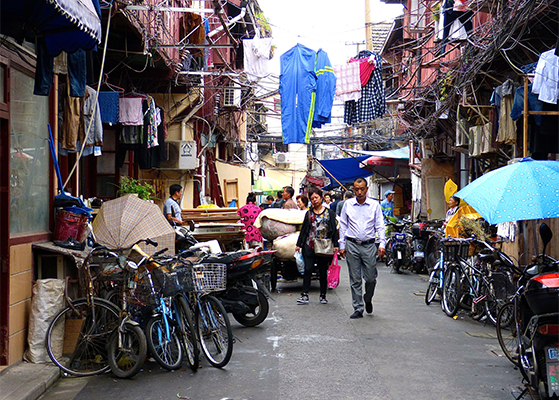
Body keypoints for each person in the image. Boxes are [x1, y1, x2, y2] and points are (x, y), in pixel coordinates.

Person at [339, 178, 386, 319]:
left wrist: (382, 244)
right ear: (353, 190)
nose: (359, 192)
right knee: (355, 278)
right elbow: (343, 225)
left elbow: (380, 225)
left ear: (366, 189)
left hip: (369, 245)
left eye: (362, 189)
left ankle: (367, 298)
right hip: (352, 244)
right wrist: (342, 245)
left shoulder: (374, 205)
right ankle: (358, 307)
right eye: (356, 189)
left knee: (371, 278)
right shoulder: (348, 204)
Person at [295, 186, 339, 305]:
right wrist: (299, 244)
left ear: (321, 198)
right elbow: (304, 230)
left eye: (316, 197)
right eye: (312, 198)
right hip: (309, 245)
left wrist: (336, 244)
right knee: (308, 269)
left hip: (324, 246)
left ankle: (323, 295)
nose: (314, 200)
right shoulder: (309, 214)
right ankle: (304, 295)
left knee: (322, 271)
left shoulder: (329, 213)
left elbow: (334, 230)